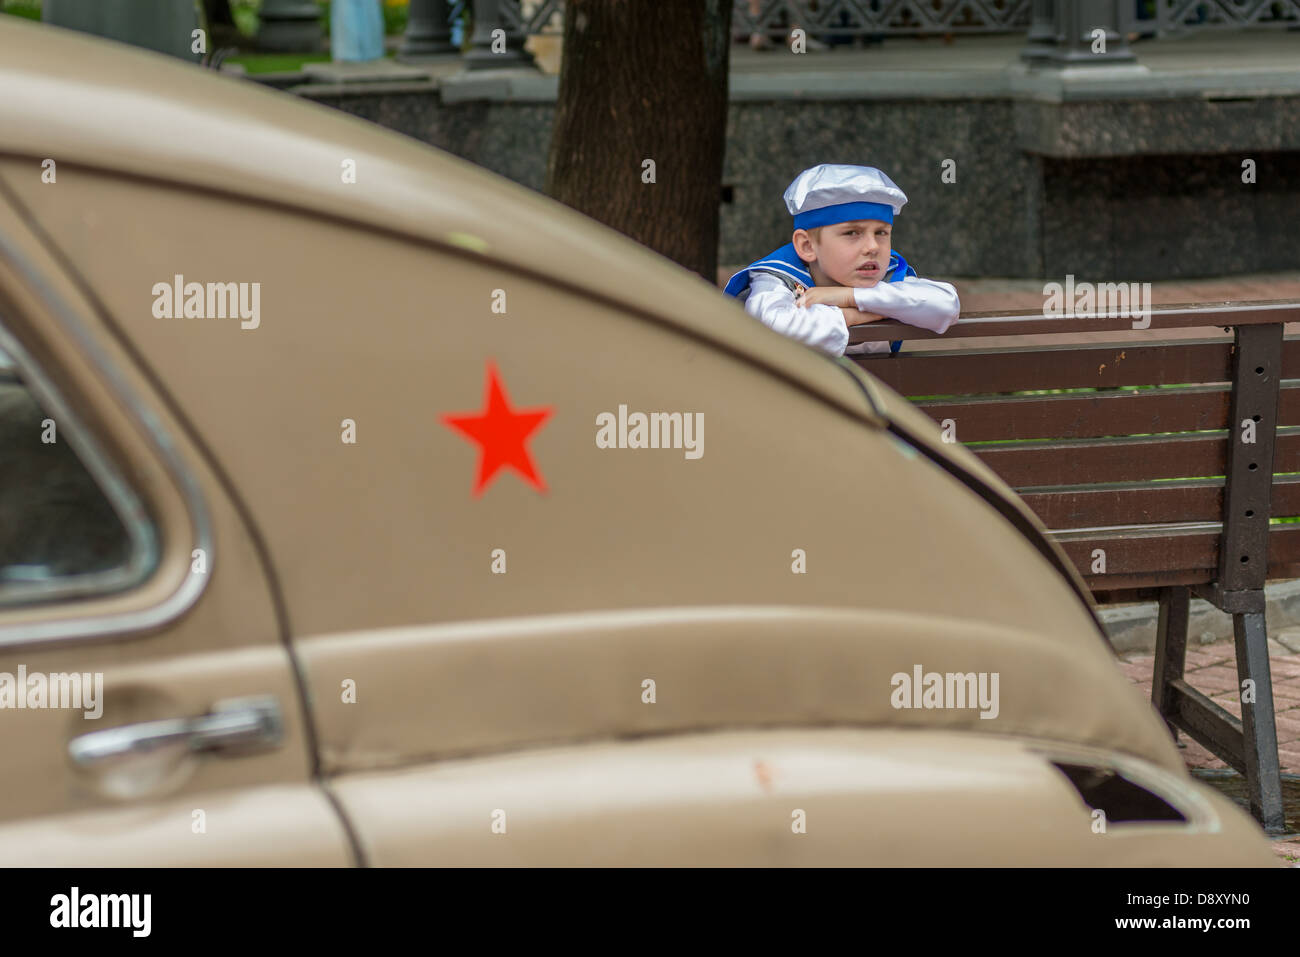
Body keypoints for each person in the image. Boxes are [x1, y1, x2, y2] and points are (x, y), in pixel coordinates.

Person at [724, 164, 960, 357]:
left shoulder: (892, 273)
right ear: (807, 246)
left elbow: (945, 305)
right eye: (852, 233)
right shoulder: (777, 277)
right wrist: (858, 314)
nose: (872, 247)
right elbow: (771, 327)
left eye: (881, 232)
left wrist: (848, 297)